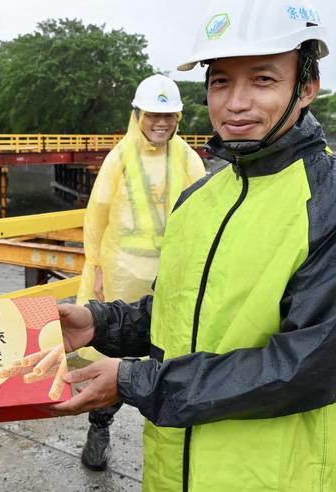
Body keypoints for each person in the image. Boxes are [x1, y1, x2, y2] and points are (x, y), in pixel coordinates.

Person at [53, 0, 336, 491]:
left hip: (286, 476)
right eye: (219, 82)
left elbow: (309, 367)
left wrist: (133, 380)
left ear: (306, 87)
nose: (235, 103)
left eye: (262, 80)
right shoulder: (201, 200)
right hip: (179, 472)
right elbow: (181, 313)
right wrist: (98, 323)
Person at [76, 74, 205, 470]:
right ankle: (99, 426)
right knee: (115, 353)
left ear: (178, 117)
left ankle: (171, 441)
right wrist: (95, 268)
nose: (161, 123)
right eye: (153, 114)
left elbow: (203, 214)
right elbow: (97, 215)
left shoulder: (187, 158)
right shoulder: (120, 157)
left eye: (168, 115)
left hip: (170, 276)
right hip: (120, 274)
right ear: (139, 115)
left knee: (172, 356)